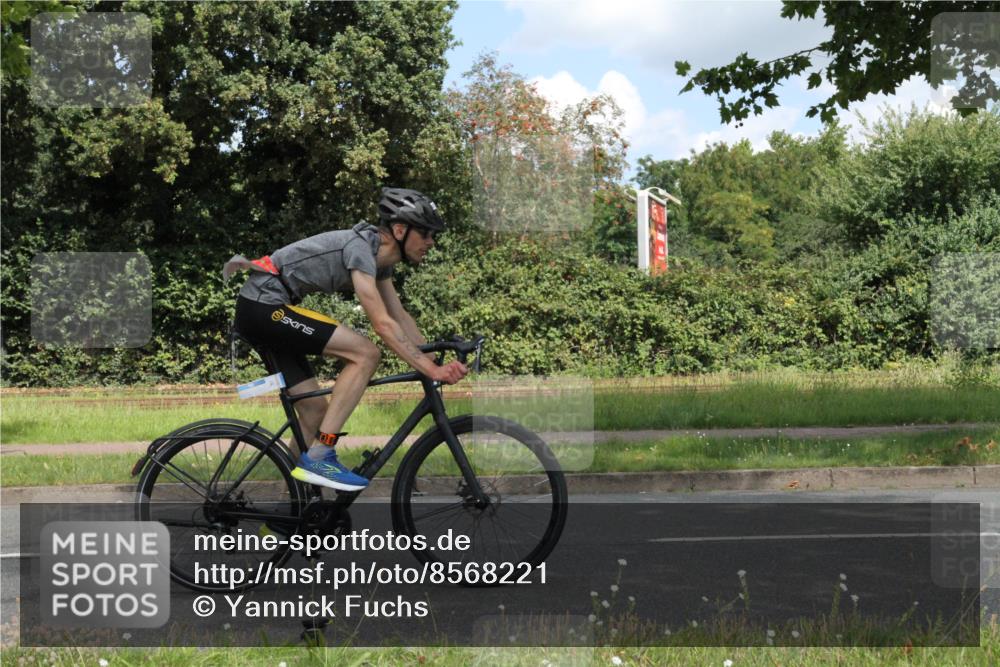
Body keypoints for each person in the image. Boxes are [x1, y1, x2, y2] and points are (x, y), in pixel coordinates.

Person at [225, 188, 469, 492]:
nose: (431, 241)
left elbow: (398, 316)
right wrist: (430, 370)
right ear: (399, 230)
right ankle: (320, 455)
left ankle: (290, 512)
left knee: (315, 412)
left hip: (265, 307)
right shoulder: (361, 249)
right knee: (366, 354)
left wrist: (433, 360)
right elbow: (381, 324)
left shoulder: (381, 261)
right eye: (426, 233)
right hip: (264, 306)